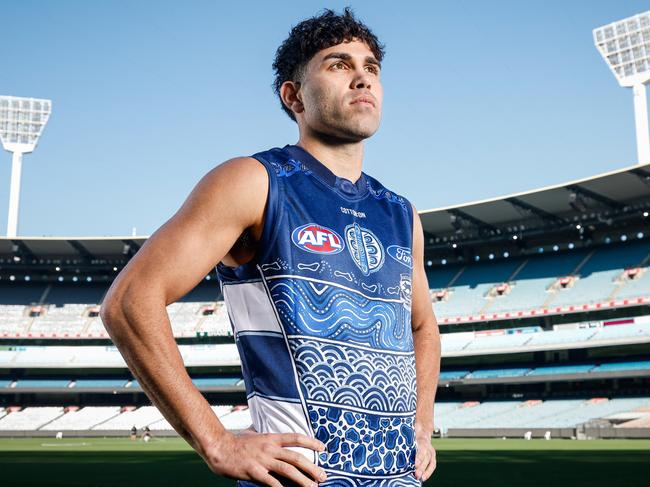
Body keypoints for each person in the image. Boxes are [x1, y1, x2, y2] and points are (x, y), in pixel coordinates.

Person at [100, 8, 440, 487]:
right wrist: (216, 441)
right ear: (293, 95)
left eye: (372, 68)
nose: (362, 78)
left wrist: (422, 425)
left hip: (400, 477)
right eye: (339, 65)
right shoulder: (255, 181)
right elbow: (130, 301)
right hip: (301, 478)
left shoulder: (402, 214)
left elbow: (422, 326)